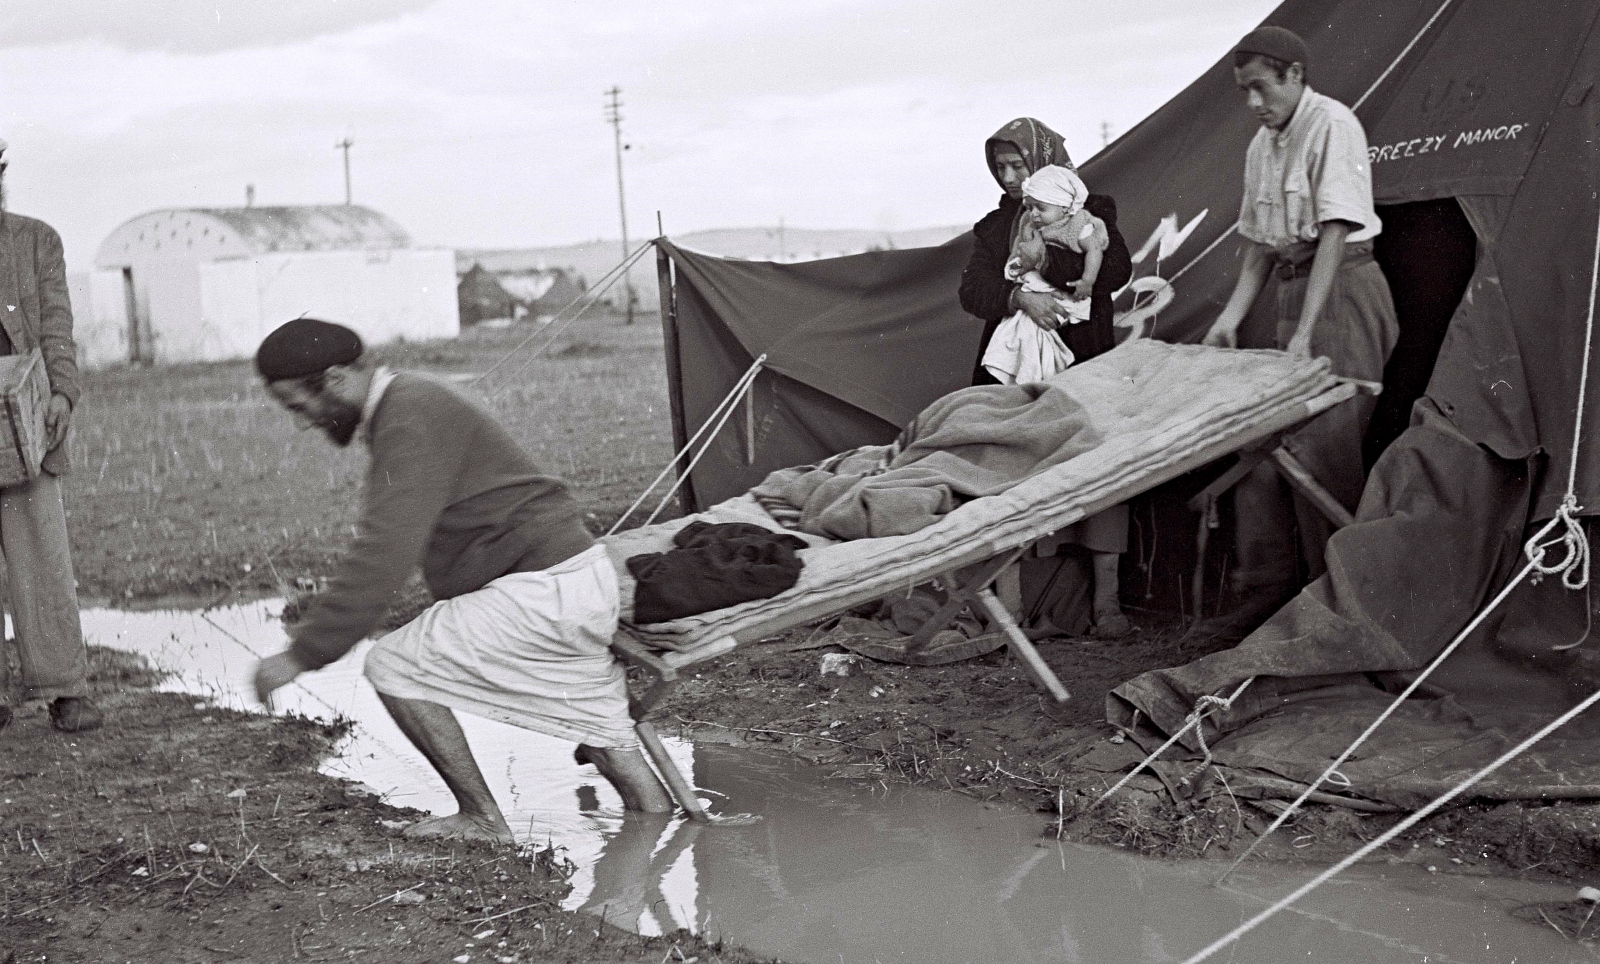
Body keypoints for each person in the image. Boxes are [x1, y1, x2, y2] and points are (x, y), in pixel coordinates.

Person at [249, 318, 670, 843]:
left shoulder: (409, 416)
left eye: (297, 405)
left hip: (541, 592)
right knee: (603, 730)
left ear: (334, 377)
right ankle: (663, 836)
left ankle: (482, 819)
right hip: (570, 582)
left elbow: (385, 549)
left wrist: (303, 654)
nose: (303, 422)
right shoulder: (409, 400)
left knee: (394, 663)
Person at [1195, 26, 1398, 640]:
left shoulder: (1333, 124)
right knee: (1267, 452)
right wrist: (1231, 317)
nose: (1254, 103)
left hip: (1344, 290)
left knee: (1326, 454)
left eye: (1261, 87)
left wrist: (1307, 332)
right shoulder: (1262, 146)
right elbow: (1258, 243)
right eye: (1244, 92)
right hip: (1293, 290)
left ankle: (1337, 615)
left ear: (1295, 75)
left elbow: (1336, 231)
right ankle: (1269, 602)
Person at [958, 118, 1134, 637]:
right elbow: (973, 291)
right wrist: (1019, 297)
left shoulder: (1093, 211)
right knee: (1011, 472)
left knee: (1097, 468)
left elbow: (1115, 271)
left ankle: (1107, 602)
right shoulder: (994, 228)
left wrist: (1047, 265)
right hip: (1016, 373)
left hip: (1082, 361)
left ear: (1046, 163)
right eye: (1000, 168)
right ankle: (1010, 605)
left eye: (1019, 165)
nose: (1010, 178)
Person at [0, 138, 101, 735]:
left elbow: (57, 326)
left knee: (41, 560)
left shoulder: (37, 239)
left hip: (26, 423)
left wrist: (63, 394)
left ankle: (65, 690)